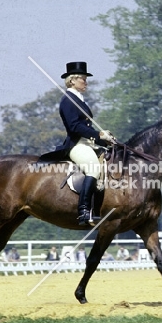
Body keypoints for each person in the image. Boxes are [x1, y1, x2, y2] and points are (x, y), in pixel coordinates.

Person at [56, 62, 116, 226]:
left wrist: (104, 139)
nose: (86, 82)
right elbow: (75, 126)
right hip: (76, 145)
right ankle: (83, 210)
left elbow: (86, 127)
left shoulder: (79, 99)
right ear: (73, 80)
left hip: (89, 144)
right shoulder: (68, 100)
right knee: (94, 168)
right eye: (83, 79)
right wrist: (98, 134)